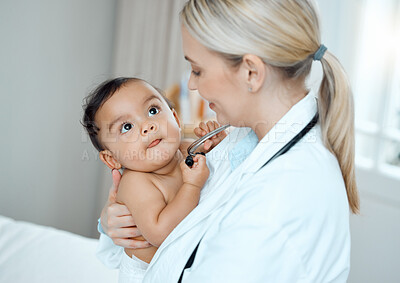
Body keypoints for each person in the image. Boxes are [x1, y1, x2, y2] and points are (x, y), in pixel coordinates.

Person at [97, 0, 359, 282]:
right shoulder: (244, 137)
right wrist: (117, 223)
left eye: (197, 70)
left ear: (251, 72)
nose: (191, 85)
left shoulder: (276, 204)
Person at [82, 77, 225, 281]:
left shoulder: (186, 148)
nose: (147, 126)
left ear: (175, 119)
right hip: (148, 275)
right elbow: (161, 232)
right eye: (126, 127)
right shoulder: (136, 183)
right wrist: (192, 185)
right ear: (111, 158)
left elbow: (221, 165)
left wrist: (216, 142)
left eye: (152, 111)